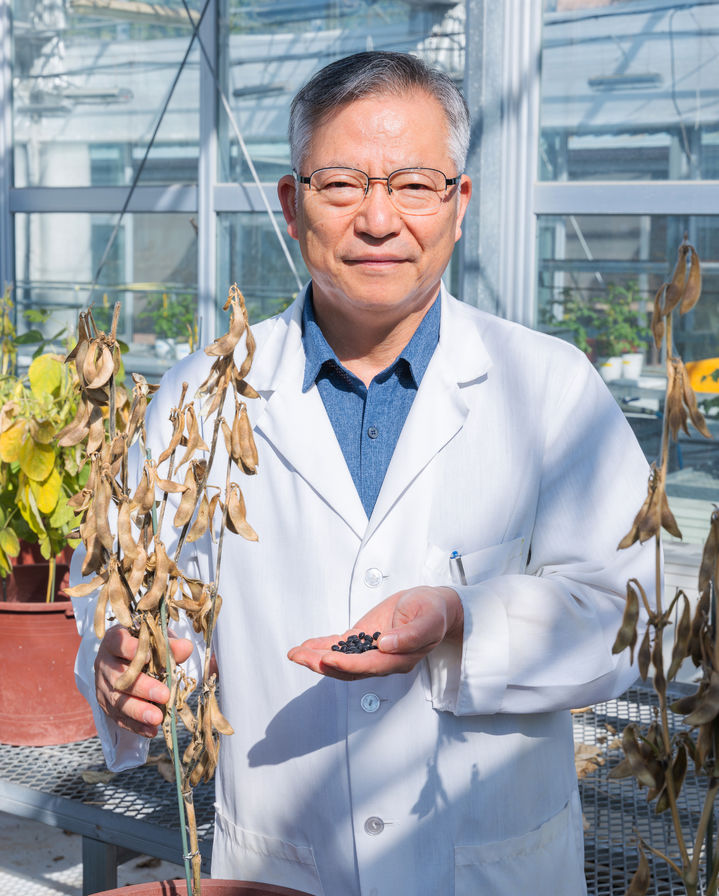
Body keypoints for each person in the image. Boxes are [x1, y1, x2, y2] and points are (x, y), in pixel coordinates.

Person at [72, 51, 655, 895]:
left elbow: (631, 615)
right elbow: (130, 592)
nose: (378, 220)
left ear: (458, 205)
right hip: (280, 860)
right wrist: (123, 659)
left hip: (491, 866)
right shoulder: (202, 389)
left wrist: (464, 618)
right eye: (341, 184)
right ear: (292, 204)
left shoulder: (549, 386)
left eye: (414, 184)